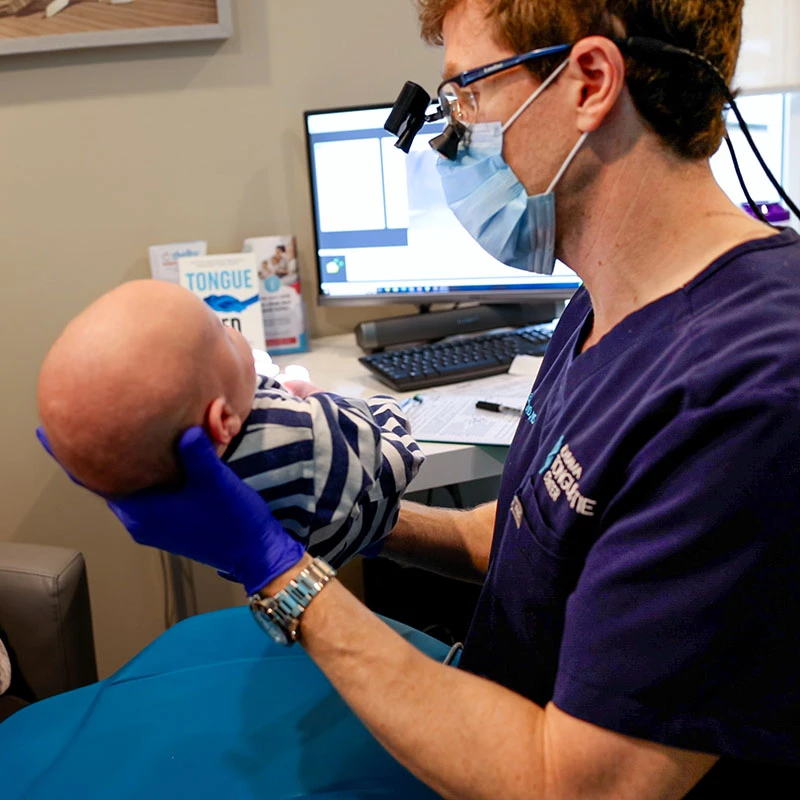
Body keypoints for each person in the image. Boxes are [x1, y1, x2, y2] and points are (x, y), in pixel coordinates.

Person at [37, 0, 800, 797]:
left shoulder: (751, 395)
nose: (450, 131)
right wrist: (339, 514)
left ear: (589, 83)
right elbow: (522, 542)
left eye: (466, 92)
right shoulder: (611, 299)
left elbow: (569, 784)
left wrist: (279, 572)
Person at [37, 280, 424, 568]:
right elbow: (391, 460)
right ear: (222, 420)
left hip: (295, 541)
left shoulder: (158, 470)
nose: (236, 333)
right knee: (386, 421)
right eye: (223, 333)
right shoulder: (294, 432)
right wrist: (325, 402)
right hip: (356, 518)